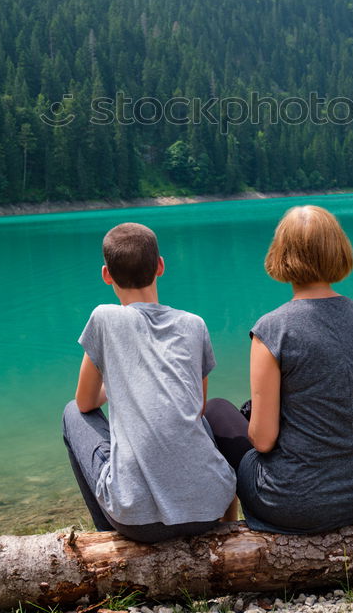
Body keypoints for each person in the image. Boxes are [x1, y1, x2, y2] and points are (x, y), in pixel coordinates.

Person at [205, 205, 353, 533]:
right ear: (338, 251)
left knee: (218, 411)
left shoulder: (273, 329)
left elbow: (263, 441)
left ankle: (226, 531)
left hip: (298, 501)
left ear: (281, 254)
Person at [62, 221, 236, 542]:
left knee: (72, 413)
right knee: (198, 422)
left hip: (137, 523)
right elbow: (195, 408)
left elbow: (86, 402)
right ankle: (227, 525)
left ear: (106, 275)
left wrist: (119, 385)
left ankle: (108, 535)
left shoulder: (104, 318)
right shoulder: (193, 324)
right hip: (209, 509)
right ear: (160, 266)